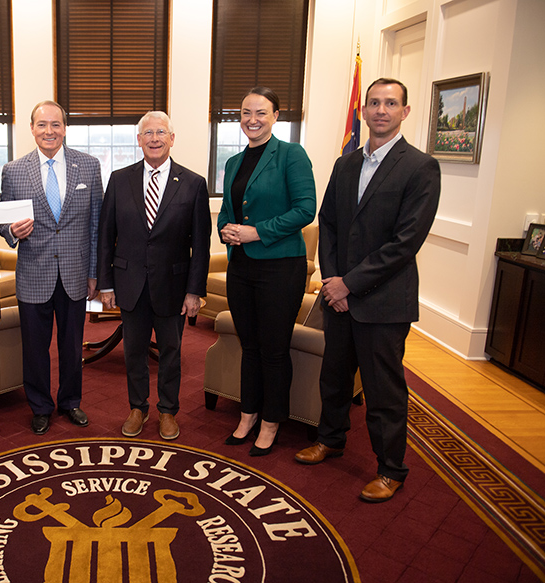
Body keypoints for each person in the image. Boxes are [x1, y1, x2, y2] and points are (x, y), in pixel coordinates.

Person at [294, 78, 440, 503]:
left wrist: (349, 283)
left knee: (383, 392)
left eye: (390, 103)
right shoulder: (346, 164)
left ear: (404, 112)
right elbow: (332, 225)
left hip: (384, 303)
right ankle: (331, 439)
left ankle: (391, 468)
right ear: (363, 110)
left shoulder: (420, 167)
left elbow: (405, 242)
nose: (381, 110)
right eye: (374, 102)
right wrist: (332, 281)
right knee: (334, 378)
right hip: (339, 298)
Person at [97, 111, 211, 440]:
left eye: (162, 132)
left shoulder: (193, 183)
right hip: (129, 284)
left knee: (171, 352)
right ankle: (137, 407)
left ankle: (168, 411)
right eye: (148, 133)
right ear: (139, 140)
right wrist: (106, 283)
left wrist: (195, 291)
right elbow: (106, 235)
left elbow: (200, 245)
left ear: (172, 138)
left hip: (173, 287)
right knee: (133, 350)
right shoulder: (119, 179)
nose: (155, 138)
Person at [217, 88, 316, 456]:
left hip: (280, 268)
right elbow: (229, 210)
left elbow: (306, 209)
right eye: (245, 112)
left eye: (261, 112)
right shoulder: (232, 162)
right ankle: (248, 414)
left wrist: (258, 232)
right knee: (250, 346)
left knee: (274, 349)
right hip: (241, 267)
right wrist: (225, 229)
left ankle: (272, 420)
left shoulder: (291, 155)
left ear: (276, 115)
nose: (252, 119)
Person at [0, 101, 103, 435]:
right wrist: (11, 232)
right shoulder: (14, 170)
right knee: (35, 347)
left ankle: (71, 401)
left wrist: (94, 273)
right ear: (31, 128)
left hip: (75, 274)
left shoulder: (88, 166)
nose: (49, 131)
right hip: (33, 273)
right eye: (42, 125)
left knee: (72, 346)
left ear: (65, 128)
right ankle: (40, 405)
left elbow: (96, 224)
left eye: (55, 124)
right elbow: (3, 222)